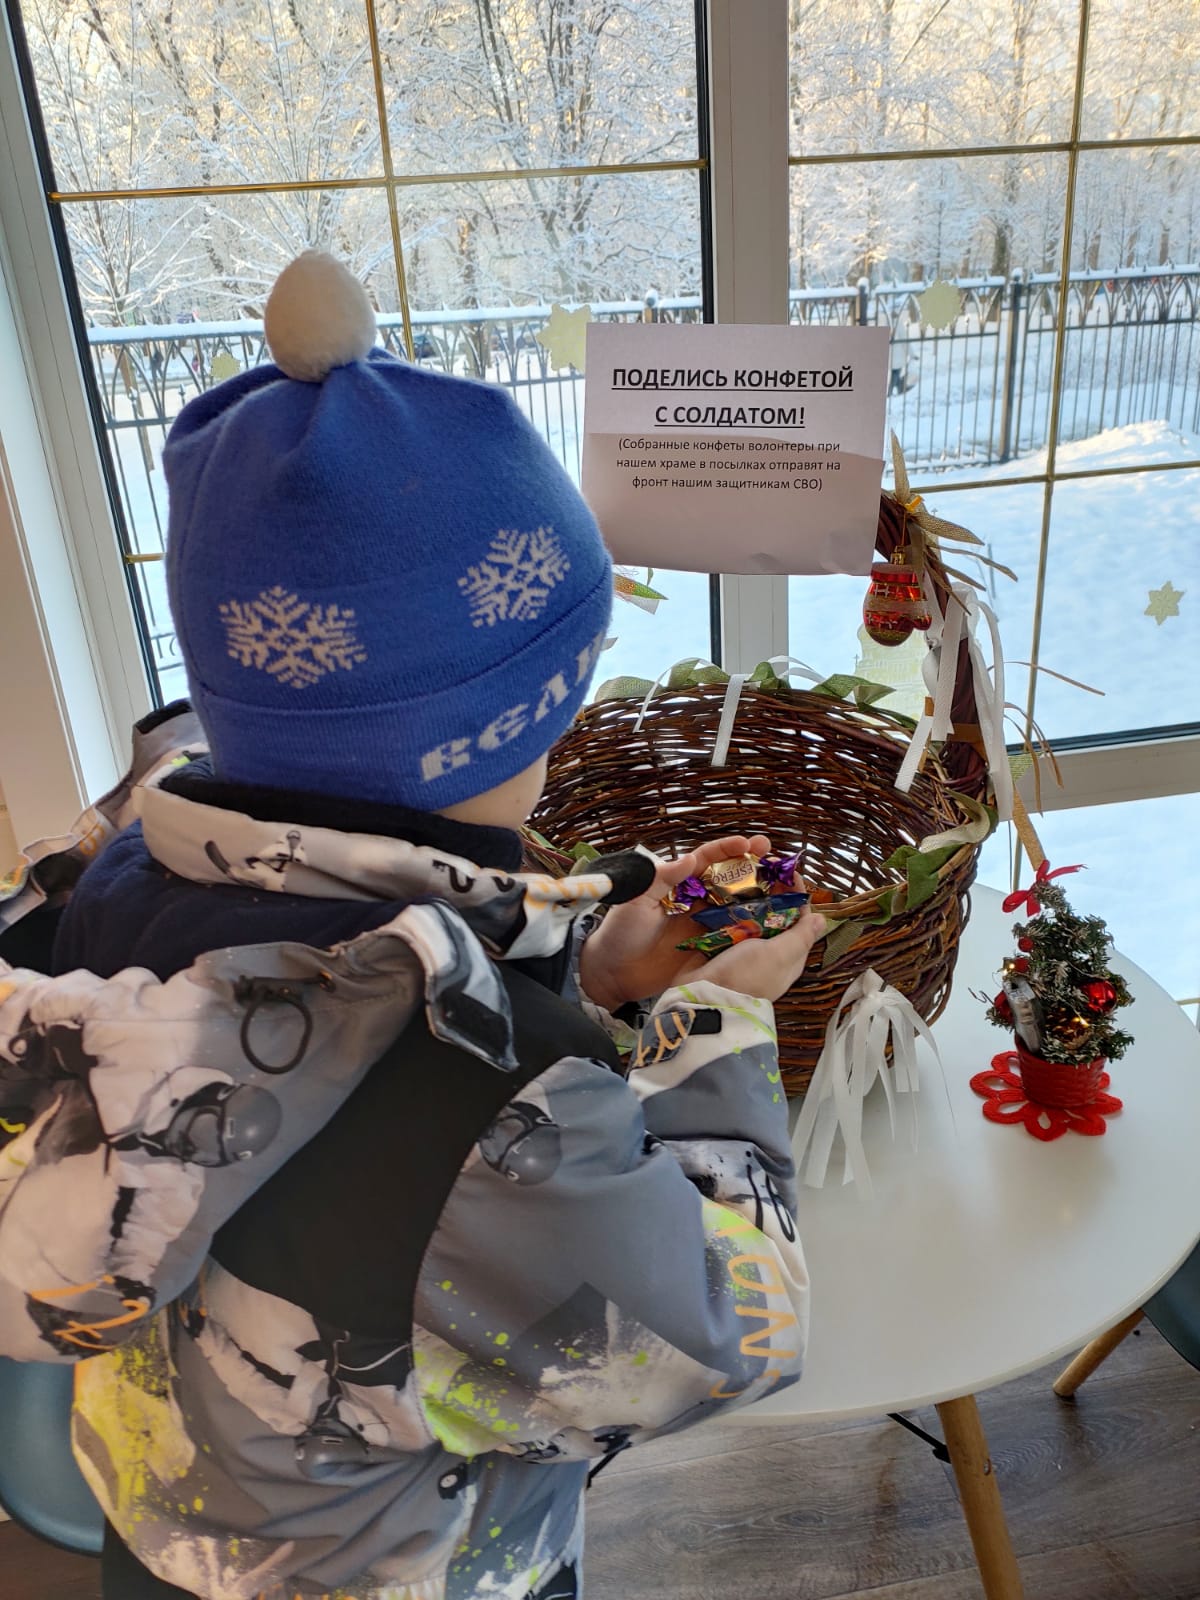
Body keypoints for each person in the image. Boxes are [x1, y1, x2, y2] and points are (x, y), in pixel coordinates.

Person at [0, 252, 823, 1600]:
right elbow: (720, 1340)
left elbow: (342, 979)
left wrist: (580, 968)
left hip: (161, 1532)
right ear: (503, 720)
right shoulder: (490, 1097)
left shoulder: (120, 883)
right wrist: (715, 1027)